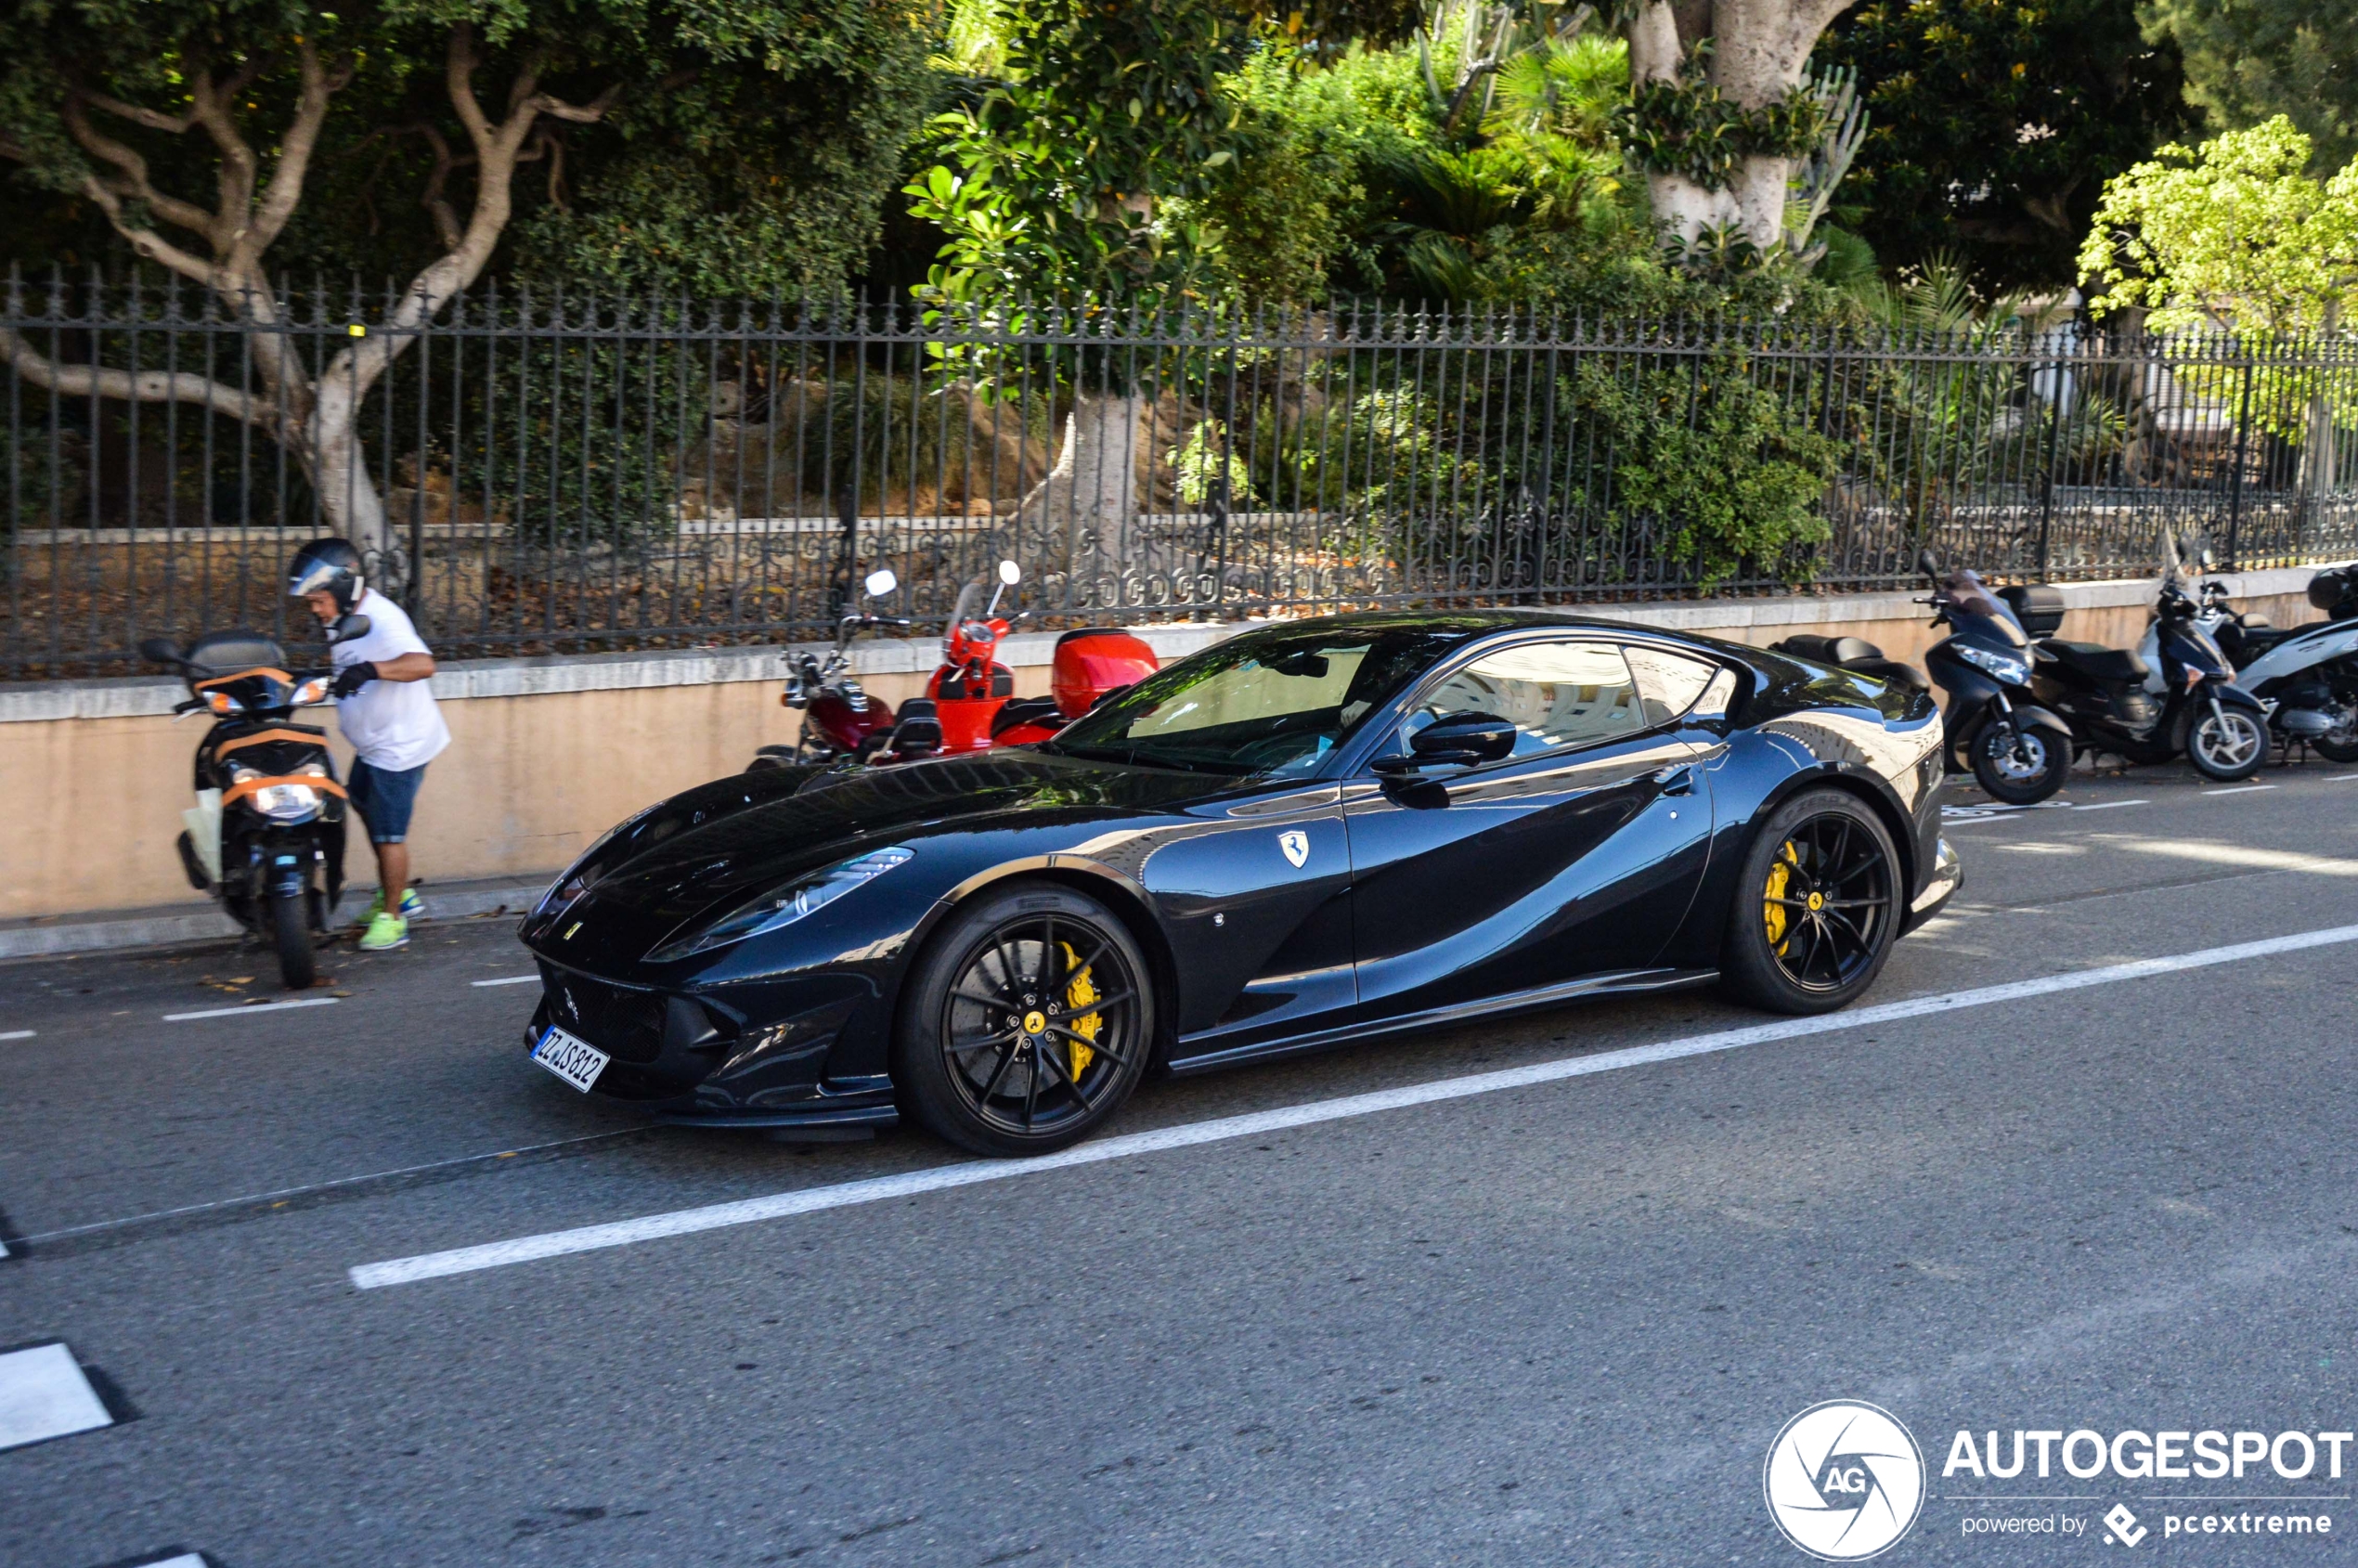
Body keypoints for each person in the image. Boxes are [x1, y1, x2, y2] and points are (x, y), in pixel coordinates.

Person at [286, 538, 450, 952]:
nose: (316, 610)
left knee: (388, 834)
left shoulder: (382, 617)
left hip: (399, 747)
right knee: (361, 803)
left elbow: (423, 664)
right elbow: (348, 664)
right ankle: (398, 893)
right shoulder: (342, 615)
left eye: (319, 600)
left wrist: (372, 669)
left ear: (342, 589)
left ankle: (395, 917)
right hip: (374, 744)